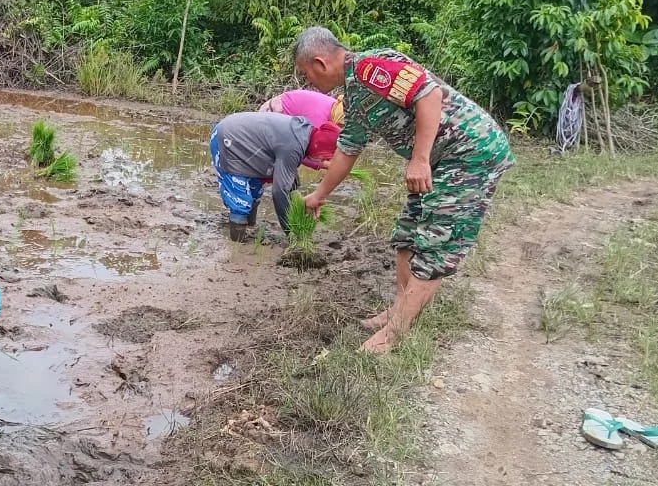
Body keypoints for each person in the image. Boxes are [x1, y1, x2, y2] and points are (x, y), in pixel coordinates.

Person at [293, 26, 515, 354]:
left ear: (320, 63)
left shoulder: (371, 67)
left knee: (436, 240)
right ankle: (398, 311)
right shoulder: (353, 98)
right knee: (407, 235)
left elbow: (429, 94)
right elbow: (347, 150)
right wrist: (319, 194)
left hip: (470, 153)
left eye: (305, 74)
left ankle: (396, 333)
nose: (307, 82)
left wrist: (420, 159)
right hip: (438, 161)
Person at [209, 111, 340, 242]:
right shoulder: (294, 145)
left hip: (243, 140)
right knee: (241, 200)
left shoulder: (303, 133)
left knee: (255, 191)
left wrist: (297, 202)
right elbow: (279, 192)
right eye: (326, 156)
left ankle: (249, 227)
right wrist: (291, 232)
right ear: (320, 147)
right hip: (227, 139)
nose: (325, 160)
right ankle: (237, 245)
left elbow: (289, 175)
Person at [258, 89, 345, 171]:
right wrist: (325, 165)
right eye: (341, 126)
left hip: (282, 117)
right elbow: (299, 152)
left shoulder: (336, 106)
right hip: (269, 117)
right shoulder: (318, 123)